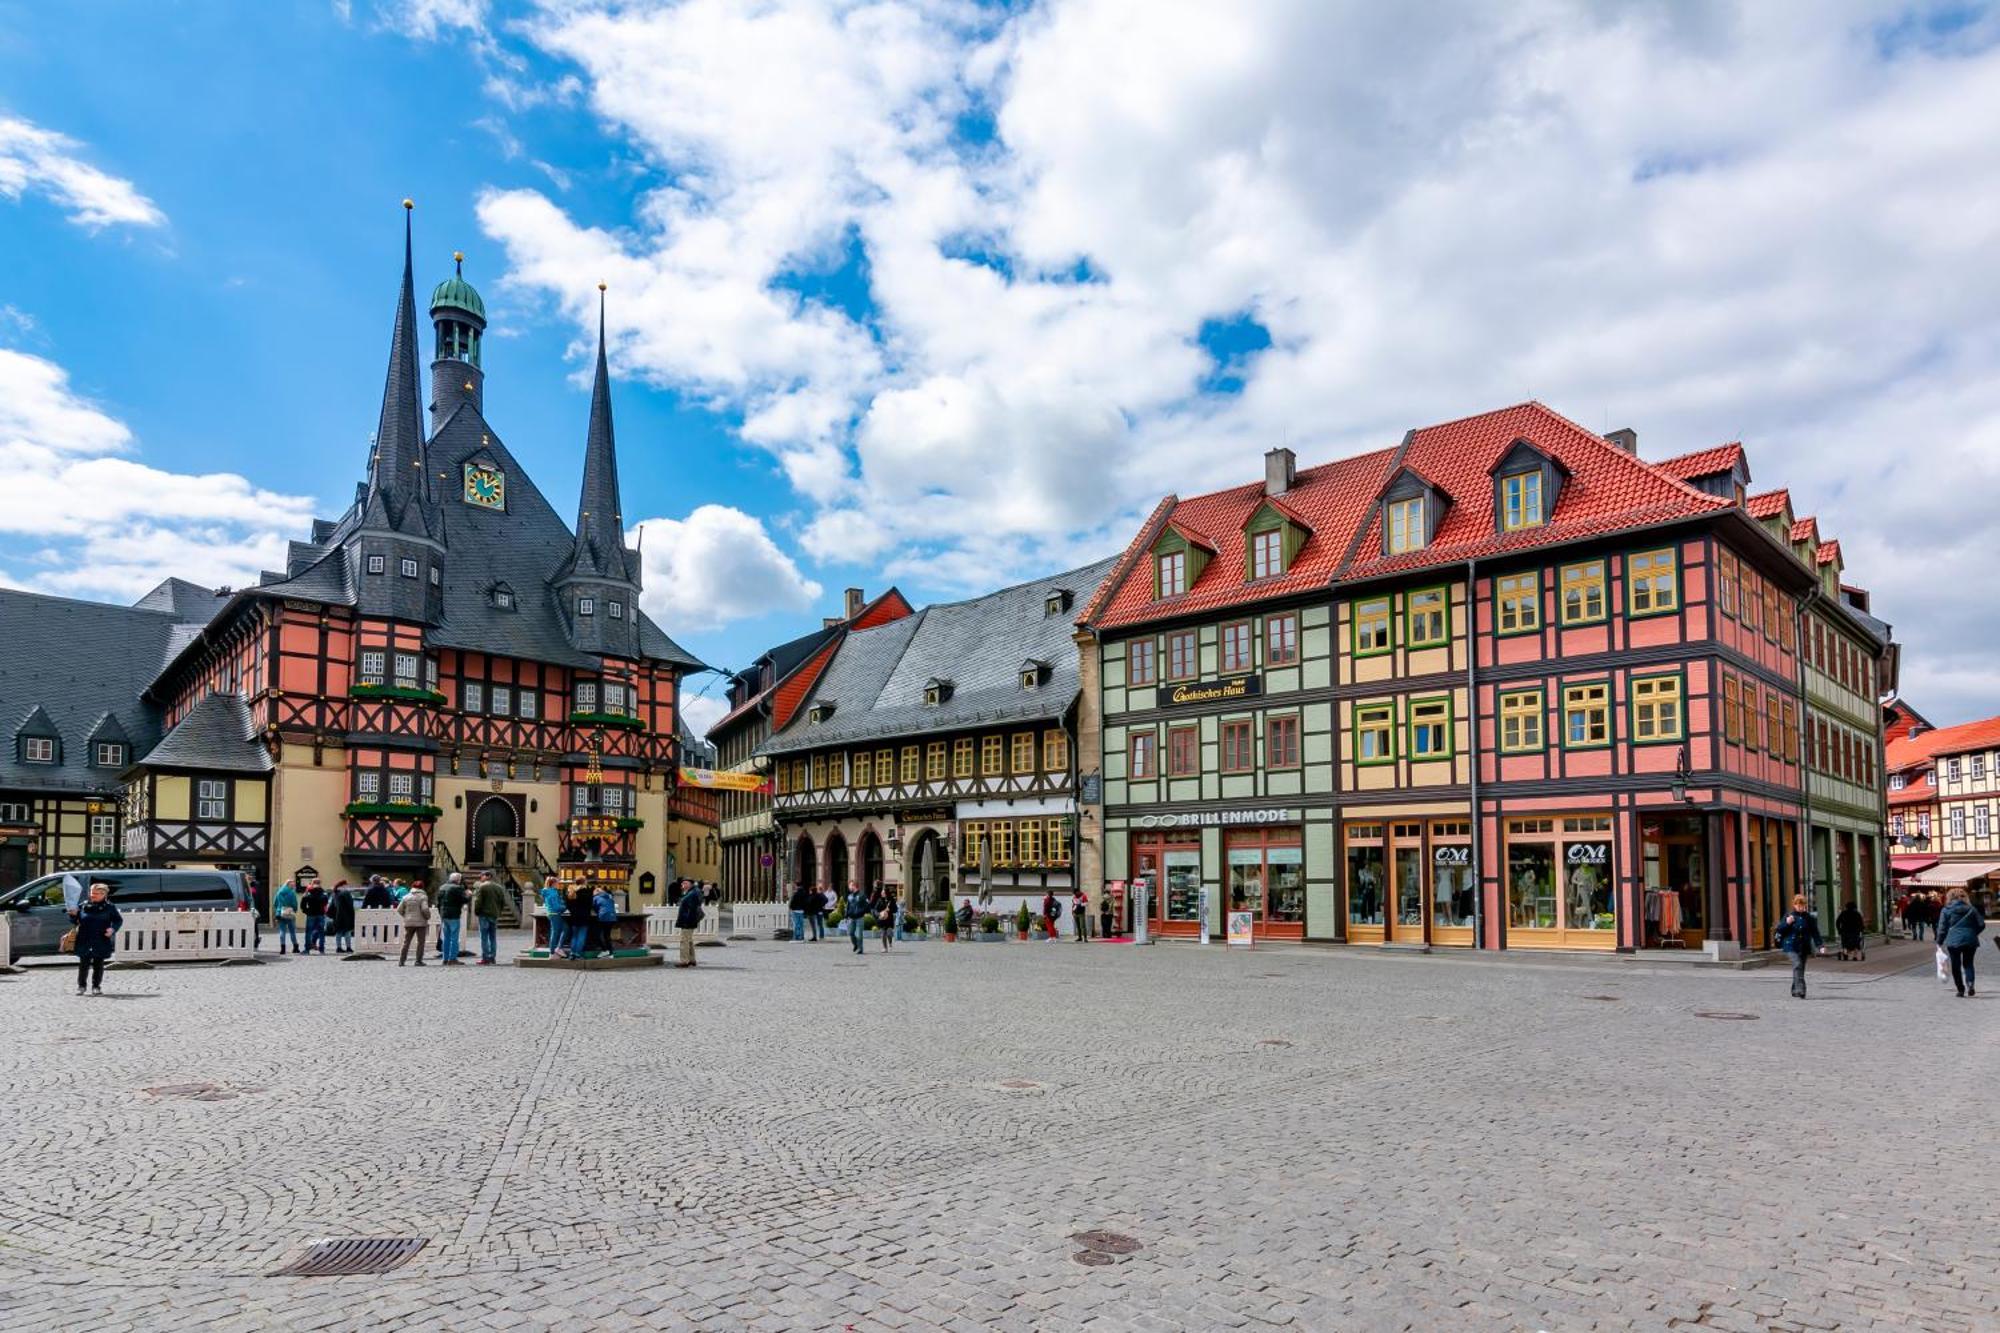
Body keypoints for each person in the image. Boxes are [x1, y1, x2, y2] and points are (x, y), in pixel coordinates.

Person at [69, 880, 123, 996]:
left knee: (98, 964)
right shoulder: (83, 906)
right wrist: (73, 915)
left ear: (104, 894)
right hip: (84, 938)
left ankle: (96, 987)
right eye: (91, 892)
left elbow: (118, 920)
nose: (92, 895)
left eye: (96, 893)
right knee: (84, 964)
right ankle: (81, 986)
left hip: (100, 939)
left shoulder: (110, 907)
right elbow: (75, 921)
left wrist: (113, 929)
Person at [1937, 885, 1985, 998]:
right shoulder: (1972, 909)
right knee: (1968, 963)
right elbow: (1982, 924)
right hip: (1970, 940)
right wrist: (1973, 933)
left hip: (1953, 941)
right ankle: (1970, 984)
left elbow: (1942, 928)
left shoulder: (1946, 910)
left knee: (1956, 965)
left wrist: (1939, 941)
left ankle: (1960, 989)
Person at [1774, 894, 1823, 1000]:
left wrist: (1820, 945)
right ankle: (1801, 989)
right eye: (1798, 905)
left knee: (1800, 968)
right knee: (1797, 964)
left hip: (1804, 946)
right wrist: (1787, 923)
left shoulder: (1809, 918)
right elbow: (1780, 929)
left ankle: (1795, 989)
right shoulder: (1789, 916)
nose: (1801, 907)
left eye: (1803, 905)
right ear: (1794, 905)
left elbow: (1815, 933)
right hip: (1790, 946)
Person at [472, 874, 506, 965]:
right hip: (494, 915)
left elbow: (478, 901)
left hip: (484, 914)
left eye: (482, 876)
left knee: (484, 937)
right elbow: (503, 901)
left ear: (486, 877)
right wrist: (499, 911)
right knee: (493, 937)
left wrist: (477, 912)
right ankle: (492, 957)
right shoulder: (499, 887)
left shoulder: (482, 887)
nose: (480, 878)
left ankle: (485, 957)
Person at [397, 882, 433, 966]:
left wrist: (405, 916)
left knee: (406, 942)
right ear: (422, 887)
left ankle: (401, 961)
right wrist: (427, 917)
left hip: (408, 922)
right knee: (420, 942)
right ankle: (418, 961)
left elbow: (399, 909)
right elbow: (425, 909)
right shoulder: (423, 897)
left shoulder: (406, 897)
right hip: (420, 923)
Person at [674, 879, 705, 967]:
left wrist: (687, 920)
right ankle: (692, 959)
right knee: (689, 940)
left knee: (684, 941)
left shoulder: (692, 894)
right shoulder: (691, 892)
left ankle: (684, 961)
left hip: (687, 920)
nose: (683, 884)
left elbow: (691, 908)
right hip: (689, 920)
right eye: (682, 883)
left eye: (685, 883)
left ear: (691, 884)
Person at [565, 880, 595, 958]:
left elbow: (568, 905)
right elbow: (591, 904)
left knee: (574, 935)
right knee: (582, 935)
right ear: (584, 883)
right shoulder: (587, 892)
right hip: (584, 917)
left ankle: (572, 953)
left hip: (574, 917)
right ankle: (578, 953)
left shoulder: (572, 892)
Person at [300, 878, 330, 955]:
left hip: (311, 914)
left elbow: (302, 904)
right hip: (320, 914)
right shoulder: (324, 893)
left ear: (313, 884)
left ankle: (307, 950)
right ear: (320, 884)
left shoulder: (308, 893)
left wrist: (306, 911)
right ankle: (322, 949)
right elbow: (325, 903)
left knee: (308, 932)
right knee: (321, 933)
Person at [272, 877, 301, 954]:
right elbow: (295, 904)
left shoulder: (279, 892)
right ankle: (295, 947)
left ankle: (283, 948)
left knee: (282, 931)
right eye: (292, 885)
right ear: (289, 885)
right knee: (292, 931)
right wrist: (294, 910)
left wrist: (278, 909)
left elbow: (275, 903)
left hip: (281, 913)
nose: (293, 886)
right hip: (289, 912)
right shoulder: (292, 893)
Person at [540, 880, 569, 958]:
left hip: (552, 913)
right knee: (557, 931)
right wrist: (565, 907)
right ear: (553, 884)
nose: (559, 885)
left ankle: (557, 948)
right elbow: (557, 907)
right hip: (555, 914)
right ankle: (553, 951)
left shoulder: (548, 892)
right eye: (557, 883)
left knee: (563, 929)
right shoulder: (553, 893)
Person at [329, 880, 357, 954]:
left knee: (339, 932)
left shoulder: (335, 893)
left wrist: (331, 915)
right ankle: (348, 947)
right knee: (347, 932)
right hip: (346, 916)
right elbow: (350, 905)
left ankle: (339, 947)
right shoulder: (346, 893)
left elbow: (332, 906)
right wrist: (353, 914)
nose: (347, 886)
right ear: (343, 885)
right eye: (346, 885)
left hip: (337, 916)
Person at [591, 883, 618, 957]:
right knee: (607, 935)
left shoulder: (596, 898)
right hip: (612, 917)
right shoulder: (609, 897)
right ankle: (611, 953)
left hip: (603, 917)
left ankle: (604, 950)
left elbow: (594, 908)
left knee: (596, 934)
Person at [845, 884, 868, 955]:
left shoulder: (862, 895)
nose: (849, 887)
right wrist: (846, 916)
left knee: (859, 934)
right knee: (851, 933)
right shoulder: (849, 896)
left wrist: (861, 912)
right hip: (851, 918)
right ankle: (856, 944)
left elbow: (866, 905)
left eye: (850, 886)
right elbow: (848, 906)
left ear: (854, 886)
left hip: (859, 917)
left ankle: (860, 949)